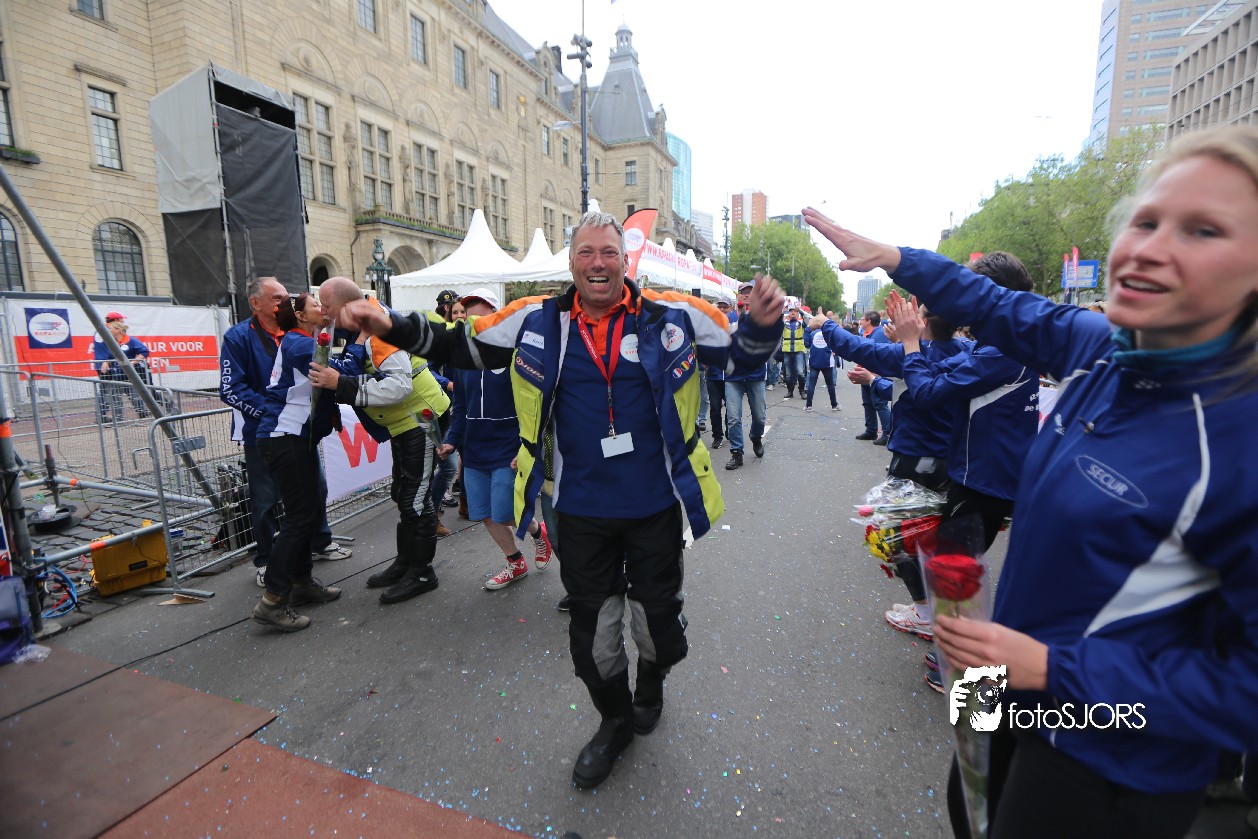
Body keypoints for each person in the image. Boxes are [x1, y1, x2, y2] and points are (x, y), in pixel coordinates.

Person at [802, 124, 1258, 839]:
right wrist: (896, 258)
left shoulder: (1239, 439)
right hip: (998, 671)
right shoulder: (1099, 347)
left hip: (1102, 752)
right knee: (965, 810)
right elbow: (991, 303)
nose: (1150, 246)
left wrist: (1053, 669)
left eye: (1203, 230)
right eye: (1146, 220)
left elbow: (1243, 691)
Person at [338, 210, 783, 790]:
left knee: (657, 627)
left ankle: (651, 685)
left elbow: (742, 359)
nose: (598, 263)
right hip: (579, 511)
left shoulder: (673, 315)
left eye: (609, 252)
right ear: (571, 263)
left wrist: (764, 326)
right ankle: (614, 722)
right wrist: (388, 323)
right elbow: (459, 346)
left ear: (625, 261)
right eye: (586, 253)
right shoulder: (535, 320)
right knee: (593, 636)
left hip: (654, 507)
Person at [311, 276, 447, 604]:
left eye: (327, 307)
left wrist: (341, 384)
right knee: (403, 494)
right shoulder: (366, 322)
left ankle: (423, 572)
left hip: (420, 419)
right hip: (405, 422)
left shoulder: (379, 330)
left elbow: (399, 386)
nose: (324, 313)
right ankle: (406, 562)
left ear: (347, 306)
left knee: (414, 499)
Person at [220, 278, 352, 590]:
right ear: (256, 304)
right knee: (267, 499)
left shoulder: (296, 334)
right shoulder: (239, 337)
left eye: (286, 297)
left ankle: (317, 546)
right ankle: (268, 563)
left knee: (314, 492)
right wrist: (269, 411)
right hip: (267, 432)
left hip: (298, 430)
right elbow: (230, 389)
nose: (284, 302)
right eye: (277, 298)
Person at [251, 292, 366, 632]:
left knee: (307, 512)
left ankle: (301, 583)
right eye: (316, 305)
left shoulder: (301, 341)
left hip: (292, 438)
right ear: (300, 315)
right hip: (285, 438)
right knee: (300, 517)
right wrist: (361, 341)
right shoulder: (301, 344)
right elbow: (337, 375)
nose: (323, 308)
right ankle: (272, 600)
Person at [437, 287, 552, 591]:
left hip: (508, 447)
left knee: (505, 512)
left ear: (496, 316)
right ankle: (515, 561)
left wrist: (527, 446)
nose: (472, 319)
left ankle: (538, 533)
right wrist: (452, 441)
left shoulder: (516, 353)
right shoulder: (462, 358)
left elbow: (533, 406)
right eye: (466, 313)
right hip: (474, 449)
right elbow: (461, 406)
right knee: (484, 512)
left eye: (480, 312)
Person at [724, 281, 770, 470]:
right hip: (733, 376)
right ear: (738, 296)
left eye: (750, 292)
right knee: (733, 417)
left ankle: (756, 437)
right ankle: (736, 453)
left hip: (755, 374)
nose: (746, 295)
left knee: (759, 416)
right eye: (743, 292)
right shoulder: (728, 318)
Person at [91, 312, 152, 422]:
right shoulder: (107, 330)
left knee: (125, 388)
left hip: (109, 364)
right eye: (121, 319)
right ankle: (103, 416)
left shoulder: (102, 329)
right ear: (115, 321)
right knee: (109, 392)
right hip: (108, 365)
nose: (123, 321)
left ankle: (140, 411)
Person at [855, 311, 893, 445]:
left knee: (880, 404)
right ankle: (871, 430)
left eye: (862, 319)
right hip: (866, 373)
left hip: (875, 375)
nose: (860, 321)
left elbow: (885, 353)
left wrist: (878, 372)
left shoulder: (880, 334)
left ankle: (887, 434)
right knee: (868, 403)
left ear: (869, 321)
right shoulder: (865, 333)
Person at [705, 299, 732, 449]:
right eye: (719, 307)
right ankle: (717, 436)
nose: (721, 309)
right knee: (715, 408)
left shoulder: (735, 326)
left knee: (731, 408)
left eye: (725, 307)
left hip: (730, 376)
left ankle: (730, 431)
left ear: (730, 309)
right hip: (713, 375)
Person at [802, 317, 839, 412]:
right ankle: (834, 405)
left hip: (814, 361)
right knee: (830, 384)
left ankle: (808, 405)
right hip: (827, 361)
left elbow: (806, 344)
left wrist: (808, 328)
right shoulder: (829, 333)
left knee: (812, 383)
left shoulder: (812, 333)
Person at [780, 307, 808, 398]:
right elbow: (777, 323)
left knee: (800, 373)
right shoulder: (785, 323)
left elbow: (807, 320)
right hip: (787, 350)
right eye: (791, 311)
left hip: (799, 350)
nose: (793, 313)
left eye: (795, 311)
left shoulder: (801, 323)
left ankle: (801, 390)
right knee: (788, 374)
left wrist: (801, 311)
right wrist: (782, 312)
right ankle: (790, 391)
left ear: (797, 313)